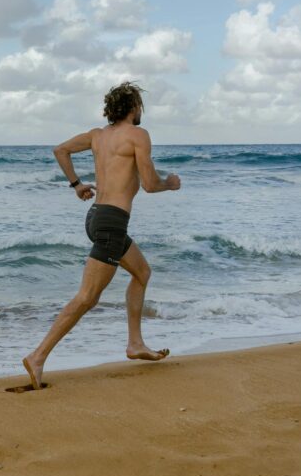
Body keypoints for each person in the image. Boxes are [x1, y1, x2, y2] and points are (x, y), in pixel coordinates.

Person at [22, 81, 181, 390]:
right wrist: (170, 183)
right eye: (139, 105)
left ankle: (135, 344)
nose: (140, 111)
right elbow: (149, 184)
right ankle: (38, 356)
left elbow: (61, 150)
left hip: (98, 216)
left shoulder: (97, 136)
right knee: (87, 297)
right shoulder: (138, 135)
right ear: (134, 108)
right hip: (111, 223)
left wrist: (77, 185)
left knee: (142, 272)